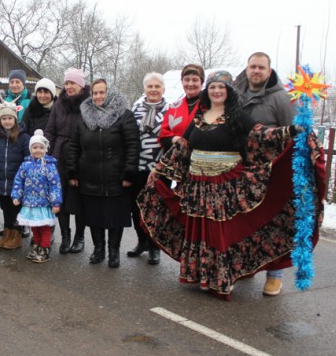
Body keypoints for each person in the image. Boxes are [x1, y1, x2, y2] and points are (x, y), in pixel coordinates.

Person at [137, 74, 324, 299]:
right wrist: (159, 170)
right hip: (197, 185)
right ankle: (201, 274)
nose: (217, 91)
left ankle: (223, 278)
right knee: (200, 230)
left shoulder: (237, 116)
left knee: (219, 233)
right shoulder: (199, 116)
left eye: (221, 87)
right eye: (213, 87)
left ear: (228, 91)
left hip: (224, 185)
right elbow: (183, 146)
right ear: (208, 91)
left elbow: (262, 134)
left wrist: (293, 131)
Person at [233, 52, 296, 295]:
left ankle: (274, 275)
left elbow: (294, 134)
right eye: (252, 67)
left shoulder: (281, 99)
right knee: (243, 221)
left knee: (273, 223)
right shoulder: (236, 95)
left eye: (261, 67)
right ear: (246, 69)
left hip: (271, 171)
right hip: (240, 170)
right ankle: (245, 267)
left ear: (269, 71)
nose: (256, 71)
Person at [68, 79, 139, 268]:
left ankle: (114, 252)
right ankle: (98, 249)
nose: (98, 96)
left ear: (110, 93)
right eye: (95, 93)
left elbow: (133, 146)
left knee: (114, 216)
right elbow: (73, 146)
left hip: (115, 175)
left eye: (102, 92)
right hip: (88, 174)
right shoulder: (83, 116)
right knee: (93, 215)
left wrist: (128, 173)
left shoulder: (124, 115)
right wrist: (73, 171)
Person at [44, 68, 90, 254]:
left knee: (79, 198)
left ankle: (80, 237)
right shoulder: (59, 104)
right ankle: (65, 236)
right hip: (59, 153)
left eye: (73, 83)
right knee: (59, 196)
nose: (69, 87)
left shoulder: (88, 104)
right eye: (67, 83)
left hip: (82, 153)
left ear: (81, 85)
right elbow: (50, 130)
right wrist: (47, 155)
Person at [128, 72, 169, 264]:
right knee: (137, 208)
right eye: (150, 86)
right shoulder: (135, 108)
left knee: (156, 209)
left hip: (160, 169)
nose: (153, 90)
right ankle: (141, 241)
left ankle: (155, 247)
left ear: (163, 89)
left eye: (157, 86)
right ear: (144, 89)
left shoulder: (171, 110)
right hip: (138, 167)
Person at [11, 130, 63, 263]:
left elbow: (55, 185)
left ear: (45, 149)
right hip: (29, 203)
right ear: (30, 149)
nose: (38, 150)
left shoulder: (49, 166)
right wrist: (16, 195)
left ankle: (45, 249)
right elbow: (19, 181)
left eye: (41, 147)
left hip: (44, 204)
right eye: (34, 147)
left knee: (44, 227)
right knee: (34, 226)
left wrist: (56, 203)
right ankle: (37, 246)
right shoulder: (25, 165)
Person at [0, 101, 31, 250]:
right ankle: (7, 234)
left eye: (10, 118)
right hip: (1, 182)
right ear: (0, 120)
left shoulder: (24, 138)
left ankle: (16, 236)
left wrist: (26, 182)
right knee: (6, 208)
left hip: (17, 183)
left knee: (15, 209)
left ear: (15, 120)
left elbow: (28, 160)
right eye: (4, 118)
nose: (7, 121)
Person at [158, 64, 204, 151]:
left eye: (195, 80)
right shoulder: (174, 107)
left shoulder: (208, 106)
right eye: (186, 80)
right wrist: (175, 139)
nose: (190, 83)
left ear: (201, 82)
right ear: (182, 82)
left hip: (202, 159)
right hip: (178, 159)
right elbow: (163, 137)